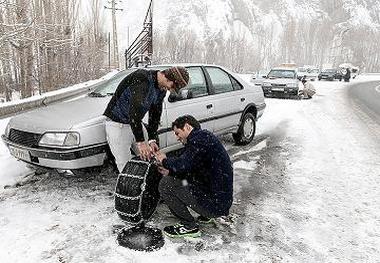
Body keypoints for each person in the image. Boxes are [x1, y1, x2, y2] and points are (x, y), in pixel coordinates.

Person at [154, 115, 233, 238]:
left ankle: (189, 226)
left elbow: (183, 165)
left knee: (166, 184)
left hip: (215, 205)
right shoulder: (203, 138)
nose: (177, 138)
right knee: (178, 179)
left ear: (187, 126)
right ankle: (206, 215)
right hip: (219, 202)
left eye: (177, 133)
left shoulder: (198, 140)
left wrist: (164, 160)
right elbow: (192, 170)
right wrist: (171, 172)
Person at [103, 66, 189, 172]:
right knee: (125, 166)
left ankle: (145, 186)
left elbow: (155, 114)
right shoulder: (142, 78)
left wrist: (152, 139)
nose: (171, 90)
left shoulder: (161, 89)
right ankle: (128, 187)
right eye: (172, 86)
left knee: (149, 158)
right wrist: (141, 142)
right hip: (117, 125)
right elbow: (134, 112)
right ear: (167, 78)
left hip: (136, 124)